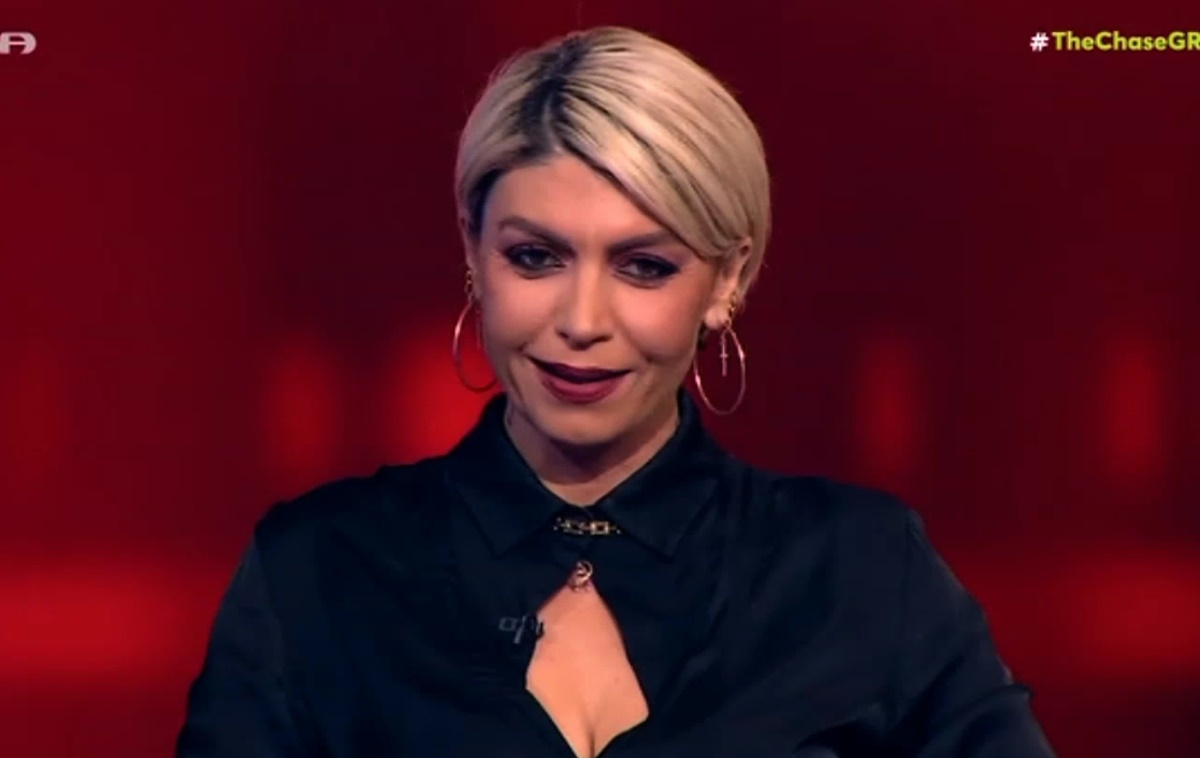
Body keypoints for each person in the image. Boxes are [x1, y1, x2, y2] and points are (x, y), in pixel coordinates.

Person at [176, 26, 1057, 758]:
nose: (582, 320)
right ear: (474, 250)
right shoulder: (318, 571)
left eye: (643, 266)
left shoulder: (857, 571)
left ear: (726, 280)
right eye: (536, 257)